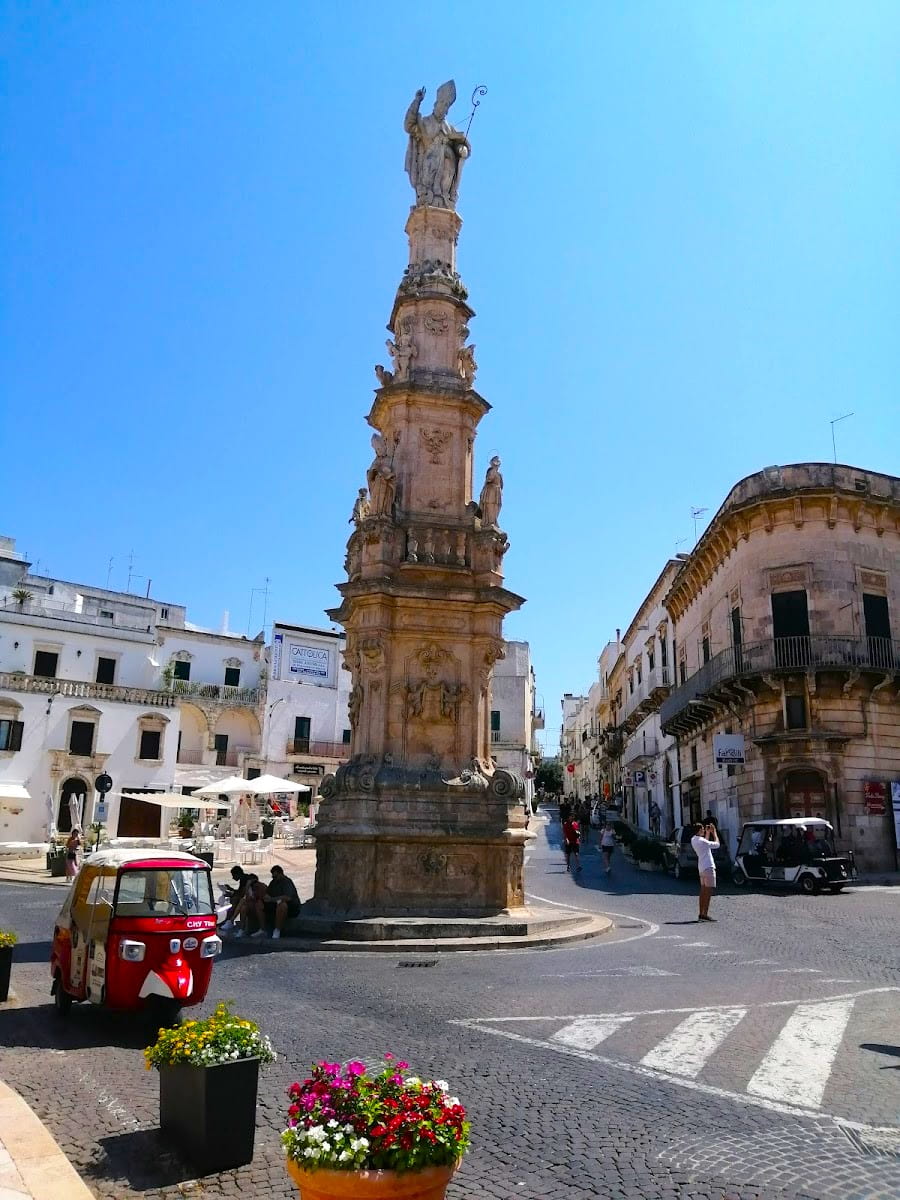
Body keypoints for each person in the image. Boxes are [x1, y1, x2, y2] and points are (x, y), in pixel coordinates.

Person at [261, 865, 301, 939]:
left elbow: (287, 897)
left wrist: (272, 899)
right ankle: (262, 929)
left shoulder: (287, 882)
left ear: (280, 874)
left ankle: (277, 930)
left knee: (282, 905)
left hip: (291, 906)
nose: (274, 878)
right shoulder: (273, 882)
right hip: (274, 904)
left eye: (275, 876)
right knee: (259, 904)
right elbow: (268, 893)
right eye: (273, 876)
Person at [691, 821, 719, 921]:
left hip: (702, 868)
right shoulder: (701, 841)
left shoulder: (694, 839)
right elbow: (716, 845)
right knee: (708, 892)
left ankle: (701, 913)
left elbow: (705, 844)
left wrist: (707, 833)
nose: (704, 830)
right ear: (699, 830)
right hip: (708, 867)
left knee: (702, 891)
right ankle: (705, 914)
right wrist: (714, 832)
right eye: (702, 829)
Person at [219, 865, 249, 931]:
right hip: (244, 897)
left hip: (247, 899)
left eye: (233, 875)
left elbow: (242, 893)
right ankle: (228, 920)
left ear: (237, 874)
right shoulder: (243, 879)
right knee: (233, 899)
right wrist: (231, 890)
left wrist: (232, 893)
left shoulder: (244, 879)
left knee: (235, 899)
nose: (233, 877)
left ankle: (229, 920)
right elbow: (240, 891)